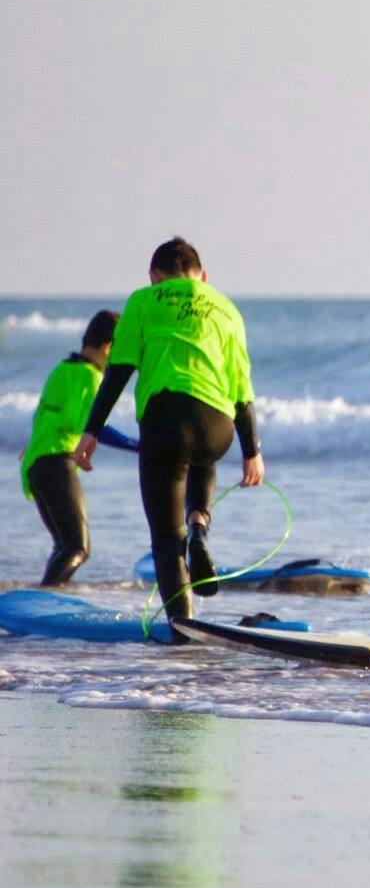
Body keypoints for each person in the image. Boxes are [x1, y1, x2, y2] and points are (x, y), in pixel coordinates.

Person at [73, 238, 264, 634]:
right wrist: (252, 451)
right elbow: (242, 391)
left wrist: (91, 431)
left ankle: (183, 628)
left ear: (154, 277)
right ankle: (200, 524)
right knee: (202, 458)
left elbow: (118, 372)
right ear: (203, 277)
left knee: (164, 537)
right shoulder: (227, 309)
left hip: (165, 423)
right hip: (218, 426)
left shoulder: (145, 300)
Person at [19, 310, 139, 584]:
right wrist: (141, 447)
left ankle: (40, 598)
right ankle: (44, 599)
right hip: (56, 464)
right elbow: (95, 429)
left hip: (37, 466)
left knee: (64, 545)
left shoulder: (61, 370)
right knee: (77, 547)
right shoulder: (90, 377)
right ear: (109, 348)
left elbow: (44, 417)